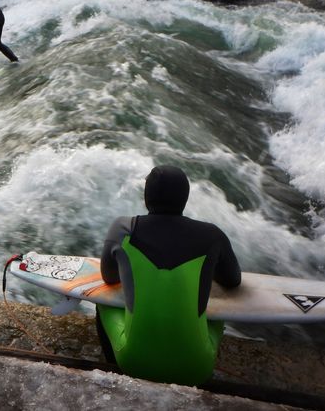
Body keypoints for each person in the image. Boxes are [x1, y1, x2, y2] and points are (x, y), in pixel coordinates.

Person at [95, 165, 242, 386]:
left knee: (101, 301)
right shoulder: (212, 235)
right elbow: (233, 281)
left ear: (146, 198)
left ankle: (114, 368)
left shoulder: (123, 228)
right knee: (216, 313)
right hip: (196, 369)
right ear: (185, 198)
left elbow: (109, 278)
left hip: (135, 364)